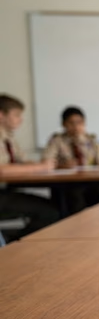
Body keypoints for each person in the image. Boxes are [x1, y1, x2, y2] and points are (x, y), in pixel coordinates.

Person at [0, 94, 60, 241]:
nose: (20, 119)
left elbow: (22, 161)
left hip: (6, 191)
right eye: (16, 115)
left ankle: (14, 244)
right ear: (1, 115)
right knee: (50, 212)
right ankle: (15, 247)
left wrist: (42, 164)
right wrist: (40, 167)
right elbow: (2, 170)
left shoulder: (8, 137)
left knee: (56, 206)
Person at [41, 106, 99, 214]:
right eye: (71, 123)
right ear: (63, 124)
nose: (76, 126)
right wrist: (62, 165)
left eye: (79, 122)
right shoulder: (57, 140)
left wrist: (82, 143)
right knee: (75, 197)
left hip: (91, 183)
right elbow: (45, 161)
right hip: (67, 185)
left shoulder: (92, 139)